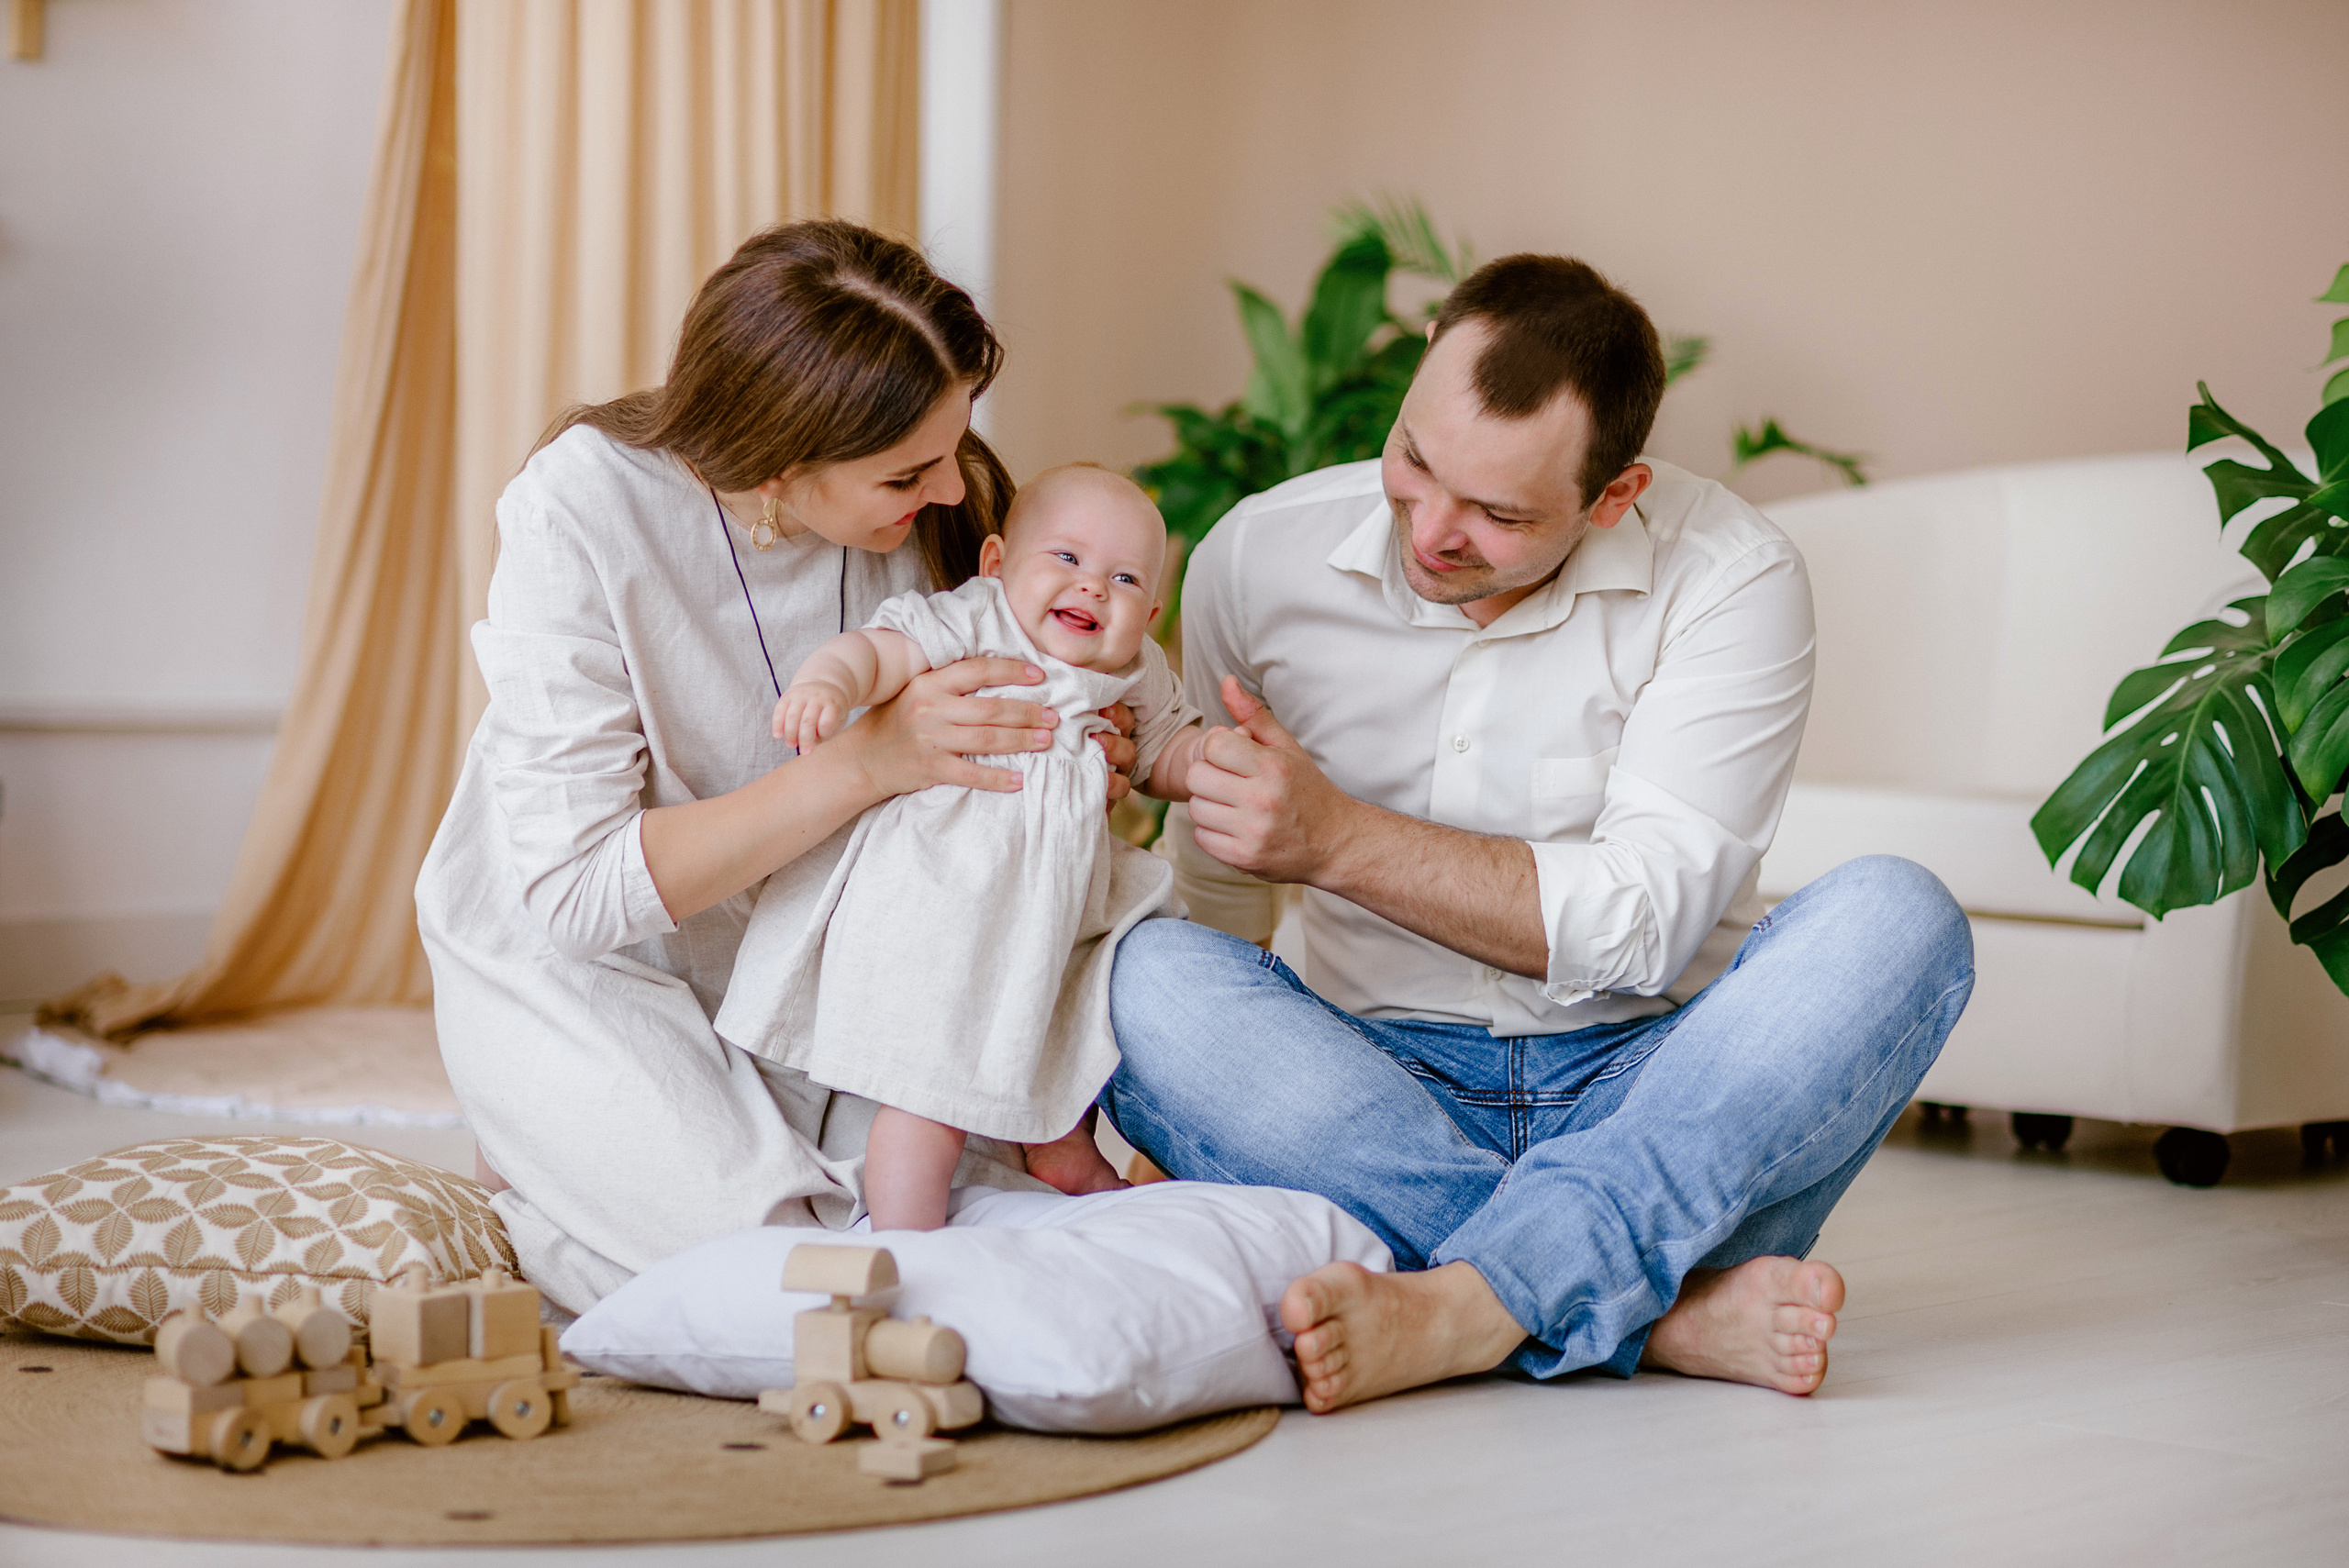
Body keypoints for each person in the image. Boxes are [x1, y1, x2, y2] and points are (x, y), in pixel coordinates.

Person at [1102, 253, 1975, 1410]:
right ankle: (1661, 1313)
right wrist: (1190, 1112)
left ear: (1613, 495)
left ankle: (1467, 1303)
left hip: (1655, 1087)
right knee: (1147, 969)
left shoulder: (1729, 577)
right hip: (1373, 1088)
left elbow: (1643, 930)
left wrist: (1338, 840)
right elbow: (1217, 891)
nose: (1431, 532)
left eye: (1501, 513)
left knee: (1898, 918)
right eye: (1415, 461)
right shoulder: (1258, 558)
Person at [415, 220, 1140, 1313]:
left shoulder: (938, 494)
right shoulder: (581, 508)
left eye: (956, 447)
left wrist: (1077, 746)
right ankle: (532, 1168)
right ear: (780, 465)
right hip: (589, 964)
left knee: (940, 1202)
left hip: (815, 953)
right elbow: (572, 894)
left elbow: (1039, 662)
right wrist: (870, 760)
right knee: (788, 1262)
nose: (952, 491)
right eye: (910, 471)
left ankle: (586, 1162)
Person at [718, 465, 1209, 1229]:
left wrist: (1209, 771)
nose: (1091, 590)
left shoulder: (1131, 669)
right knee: (930, 1090)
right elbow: (880, 652)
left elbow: (1164, 747)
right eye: (1068, 559)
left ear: (1148, 613)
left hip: (1048, 907)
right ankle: (907, 1237)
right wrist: (831, 684)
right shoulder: (979, 620)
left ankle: (1059, 1141)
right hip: (946, 899)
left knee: (1065, 1021)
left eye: (1122, 578)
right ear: (995, 565)